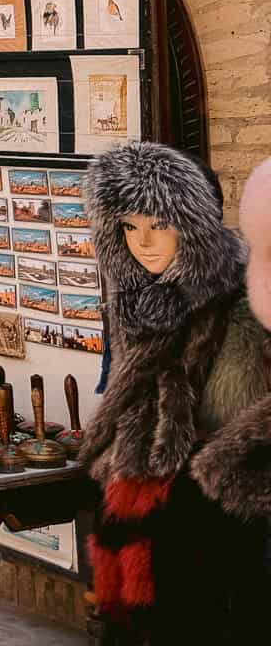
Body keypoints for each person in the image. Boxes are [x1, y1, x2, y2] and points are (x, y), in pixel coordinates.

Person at [80, 140, 271, 642]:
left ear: (194, 224)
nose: (142, 242)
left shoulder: (251, 297)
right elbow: (119, 390)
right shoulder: (135, 301)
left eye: (159, 224)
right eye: (129, 226)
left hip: (220, 516)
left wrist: (218, 468)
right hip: (148, 503)